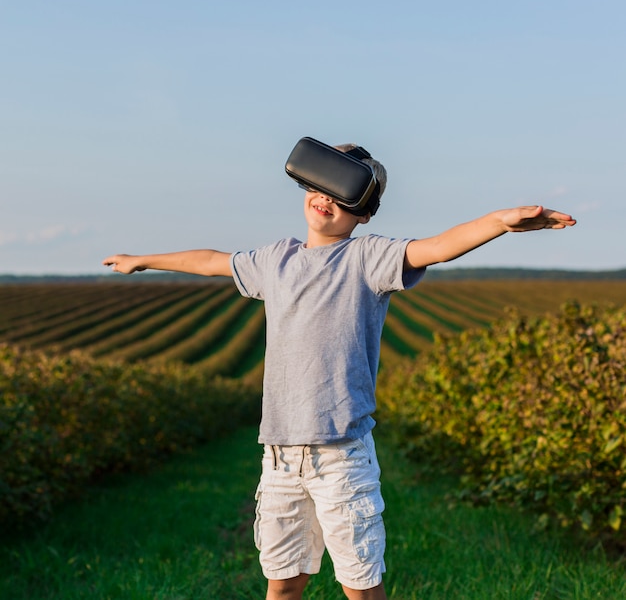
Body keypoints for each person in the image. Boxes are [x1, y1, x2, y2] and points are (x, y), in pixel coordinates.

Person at [102, 142, 576, 600]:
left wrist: (499, 222)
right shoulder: (275, 260)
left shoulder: (367, 258)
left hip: (342, 458)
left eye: (342, 194)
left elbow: (437, 248)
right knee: (283, 583)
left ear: (364, 213)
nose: (326, 199)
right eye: (320, 185)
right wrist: (143, 260)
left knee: (360, 584)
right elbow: (210, 261)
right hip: (281, 458)